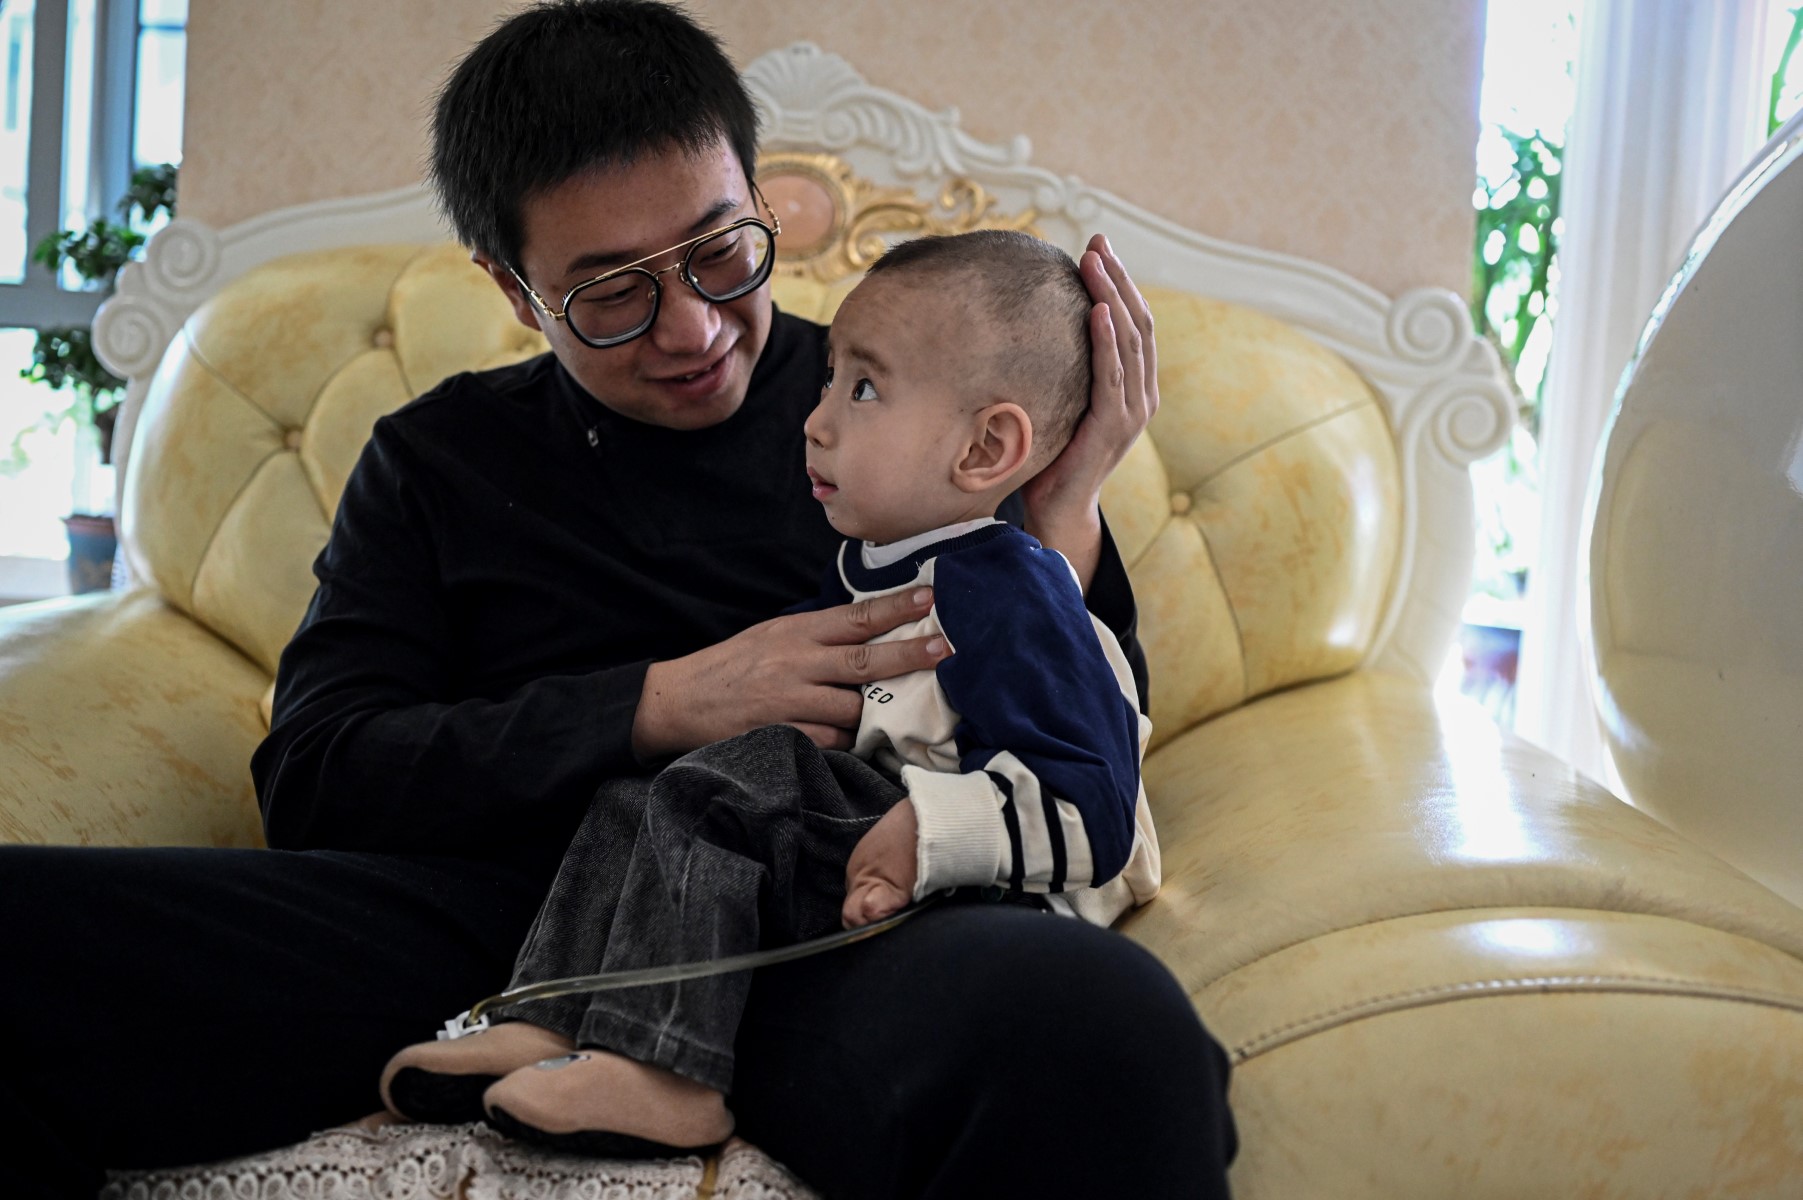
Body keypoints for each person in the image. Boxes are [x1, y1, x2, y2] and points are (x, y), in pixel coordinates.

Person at [0, 2, 1236, 1196]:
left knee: (1104, 1032)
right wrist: (657, 704)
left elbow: (1078, 751)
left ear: (760, 199)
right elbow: (321, 776)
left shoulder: (923, 408)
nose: (692, 326)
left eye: (720, 251)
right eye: (609, 294)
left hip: (814, 931)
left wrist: (1062, 506)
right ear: (511, 287)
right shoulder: (439, 459)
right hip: (482, 923)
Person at [376, 230, 1164, 1158]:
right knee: (639, 794)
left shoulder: (1010, 586)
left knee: (729, 788)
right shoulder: (872, 568)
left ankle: (670, 1070)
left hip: (981, 881)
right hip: (876, 838)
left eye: (861, 389)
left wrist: (935, 828)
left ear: (987, 446)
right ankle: (556, 1012)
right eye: (829, 379)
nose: (816, 419)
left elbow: (1095, 806)